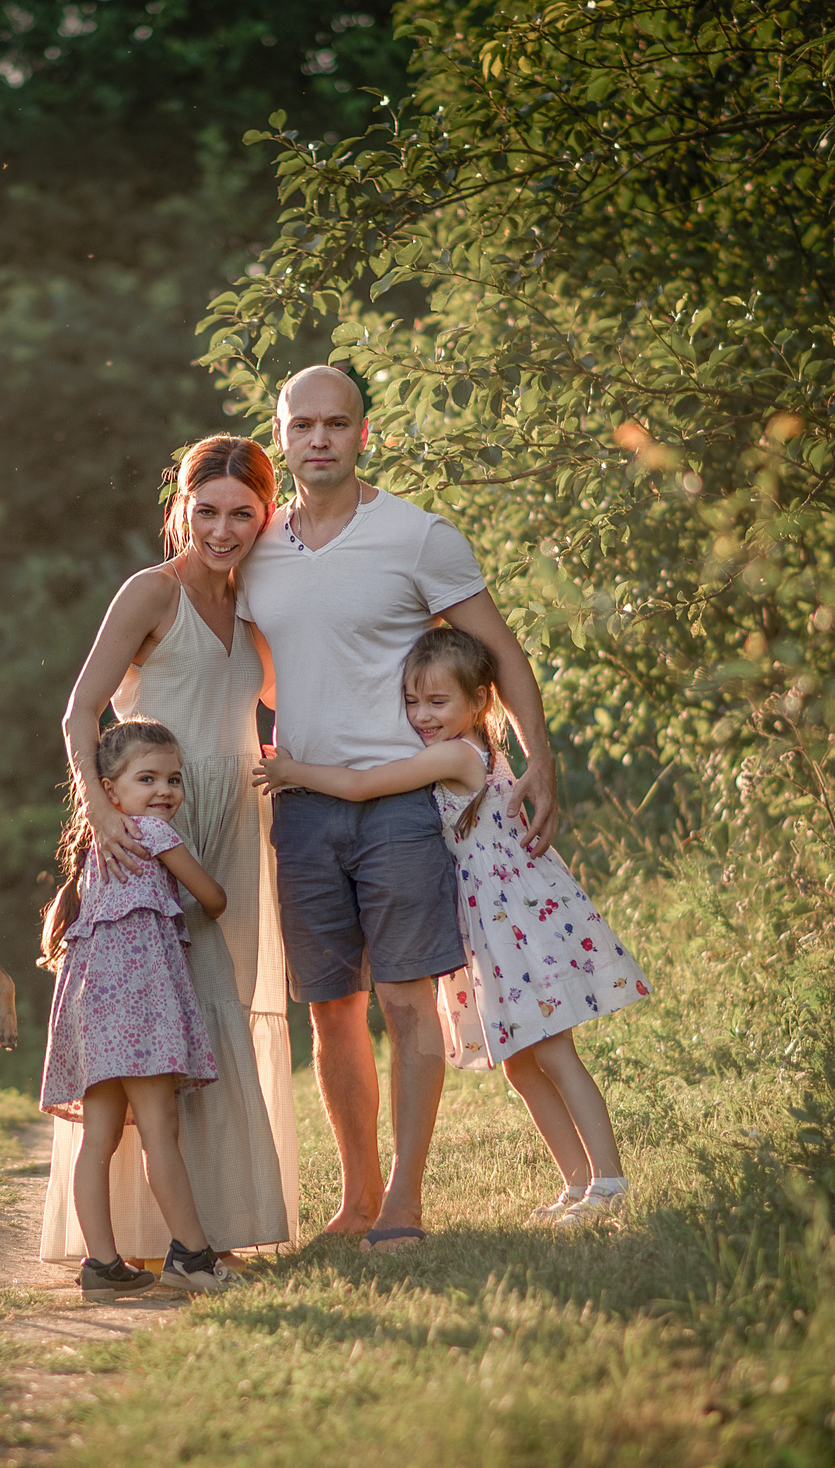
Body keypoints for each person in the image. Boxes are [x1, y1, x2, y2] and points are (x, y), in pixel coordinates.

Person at [238, 364, 561, 1252]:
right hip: (302, 804)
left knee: (407, 999)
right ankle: (358, 1199)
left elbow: (501, 651)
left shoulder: (418, 537)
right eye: (302, 425)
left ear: (363, 433)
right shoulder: (257, 547)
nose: (320, 439)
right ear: (281, 435)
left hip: (405, 802)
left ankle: (405, 1201)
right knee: (331, 1008)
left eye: (336, 424)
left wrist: (539, 759)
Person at [259, 626, 648, 1225]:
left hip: (516, 922)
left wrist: (294, 771)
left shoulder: (457, 755)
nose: (422, 715)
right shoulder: (452, 748)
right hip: (491, 927)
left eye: (438, 702)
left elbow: (362, 785)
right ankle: (577, 1185)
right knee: (520, 1063)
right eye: (412, 701)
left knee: (554, 1051)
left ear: (479, 702)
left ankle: (610, 1183)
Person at [42, 435, 297, 1269]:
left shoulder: (256, 604)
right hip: (150, 830)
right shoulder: (152, 592)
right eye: (206, 512)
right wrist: (99, 810)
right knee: (148, 1026)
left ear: (266, 515)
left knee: (216, 1019)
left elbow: (285, 692)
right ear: (180, 510)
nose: (222, 531)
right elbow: (81, 710)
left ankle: (211, 1225)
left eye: (242, 515)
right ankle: (149, 1240)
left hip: (235, 823)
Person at [39, 721, 244, 1297]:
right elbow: (214, 898)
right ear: (108, 790)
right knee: (160, 1129)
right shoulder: (152, 833)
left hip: (91, 1005)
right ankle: (193, 1259)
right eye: (147, 778)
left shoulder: (94, 847)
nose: (165, 791)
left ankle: (101, 1265)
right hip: (138, 1004)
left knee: (98, 1140)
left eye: (173, 779)